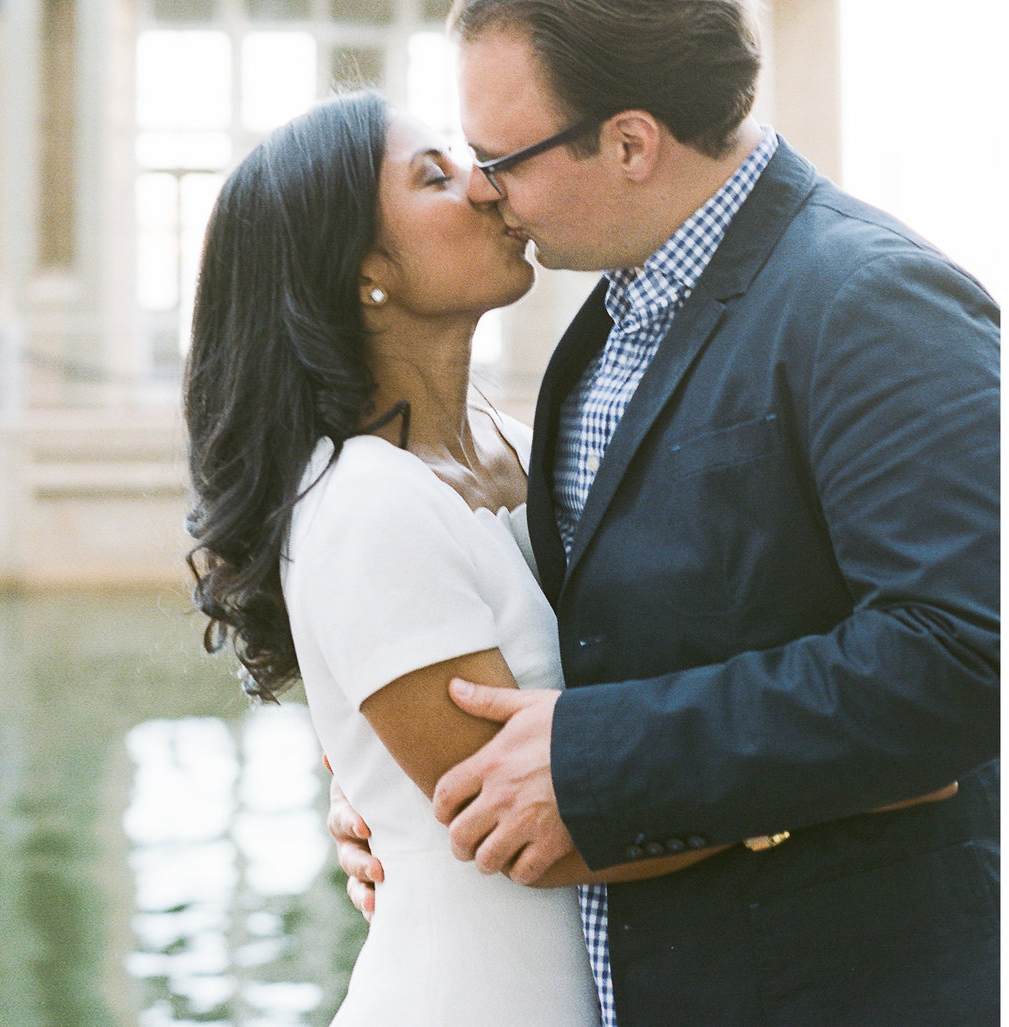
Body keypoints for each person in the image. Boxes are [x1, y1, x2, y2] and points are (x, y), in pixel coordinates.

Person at [330, 0, 1001, 1026]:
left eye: (501, 158)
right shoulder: (602, 322)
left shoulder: (866, 297)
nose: (487, 189)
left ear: (631, 143)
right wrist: (415, 812)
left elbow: (964, 649)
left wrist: (607, 764)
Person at [183, 92, 720, 1024]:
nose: (485, 184)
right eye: (434, 175)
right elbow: (538, 831)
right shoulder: (363, 502)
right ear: (361, 273)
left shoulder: (518, 442)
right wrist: (831, 787)